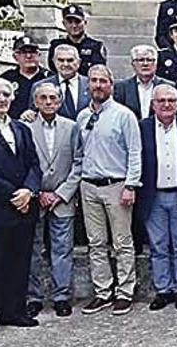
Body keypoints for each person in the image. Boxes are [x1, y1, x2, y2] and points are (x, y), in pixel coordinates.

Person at [0, 77, 42, 341]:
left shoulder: (20, 128)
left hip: (23, 208)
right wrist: (14, 194)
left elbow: (34, 164)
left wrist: (29, 190)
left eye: (6, 94)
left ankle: (13, 311)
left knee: (18, 263)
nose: (2, 99)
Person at [75, 65, 142, 316]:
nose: (98, 85)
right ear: (88, 85)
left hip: (116, 185)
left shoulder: (124, 115)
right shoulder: (82, 117)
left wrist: (131, 184)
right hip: (89, 185)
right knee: (96, 242)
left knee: (123, 242)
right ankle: (102, 291)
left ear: (111, 85)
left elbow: (135, 152)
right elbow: (79, 152)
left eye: (103, 81)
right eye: (94, 81)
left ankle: (125, 291)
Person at [25, 83, 81, 319]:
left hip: (62, 198)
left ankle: (61, 297)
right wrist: (37, 192)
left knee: (62, 250)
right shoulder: (25, 126)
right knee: (33, 250)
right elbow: (23, 163)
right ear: (36, 102)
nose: (48, 102)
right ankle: (33, 297)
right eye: (43, 98)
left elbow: (79, 162)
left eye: (53, 98)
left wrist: (60, 193)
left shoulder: (71, 127)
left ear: (59, 102)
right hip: (33, 197)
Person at [139, 84, 177, 311]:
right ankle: (163, 290)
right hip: (153, 196)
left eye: (171, 100)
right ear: (153, 104)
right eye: (161, 100)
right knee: (158, 245)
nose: (166, 104)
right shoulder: (141, 128)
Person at [29, 44, 91, 121]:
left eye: (70, 60)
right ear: (54, 61)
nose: (65, 64)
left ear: (79, 62)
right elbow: (33, 114)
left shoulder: (90, 84)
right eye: (61, 60)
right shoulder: (39, 86)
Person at [114, 44, 173, 120]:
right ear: (133, 64)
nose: (145, 64)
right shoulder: (121, 88)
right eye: (141, 60)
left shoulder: (168, 86)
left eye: (149, 60)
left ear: (156, 64)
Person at [47, 5, 107, 77]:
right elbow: (53, 68)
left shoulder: (95, 46)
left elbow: (97, 71)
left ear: (85, 23)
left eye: (77, 22)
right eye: (70, 22)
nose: (74, 26)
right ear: (64, 24)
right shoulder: (56, 45)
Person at [1, 36, 52, 119]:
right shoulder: (6, 79)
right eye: (23, 52)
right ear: (15, 56)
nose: (28, 56)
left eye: (32, 52)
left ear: (39, 55)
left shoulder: (49, 78)